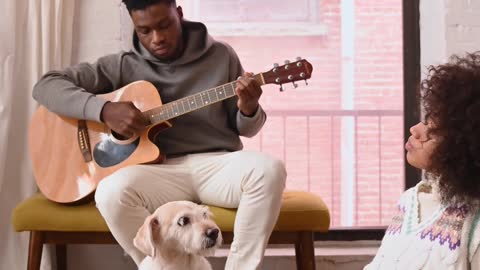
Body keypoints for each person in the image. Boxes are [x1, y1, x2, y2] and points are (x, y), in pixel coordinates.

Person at [32, 0, 287, 269]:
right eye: (145, 30)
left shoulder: (221, 56)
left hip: (216, 165)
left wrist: (248, 108)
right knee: (109, 192)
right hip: (158, 171)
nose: (157, 38)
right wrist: (104, 110)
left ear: (178, 14)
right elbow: (46, 86)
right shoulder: (121, 65)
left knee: (269, 169)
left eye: (165, 25)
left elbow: (247, 129)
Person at [364, 52, 480, 270]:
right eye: (424, 119)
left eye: (431, 128)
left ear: (464, 145)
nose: (415, 130)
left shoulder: (474, 228)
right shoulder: (410, 201)